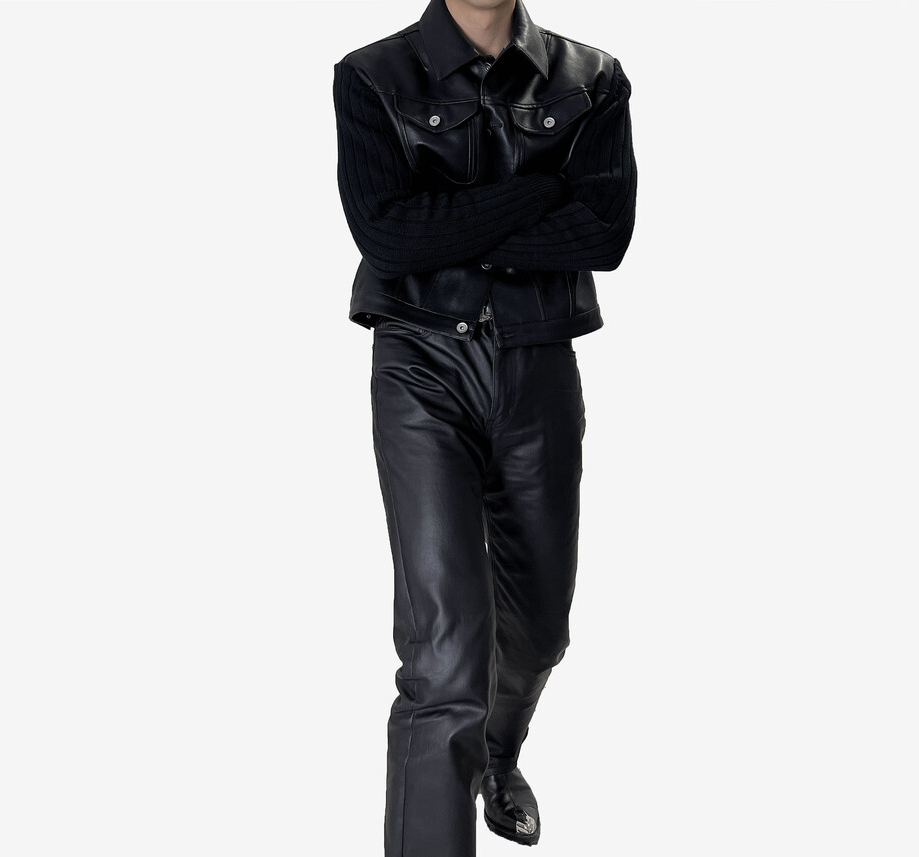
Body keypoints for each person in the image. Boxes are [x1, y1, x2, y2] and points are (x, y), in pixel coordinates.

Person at [332, 0, 636, 854]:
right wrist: (542, 188)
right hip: (422, 366)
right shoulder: (371, 76)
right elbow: (387, 237)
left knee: (538, 632)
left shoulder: (592, 79)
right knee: (446, 661)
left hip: (540, 364)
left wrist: (454, 221)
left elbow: (604, 234)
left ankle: (497, 757)